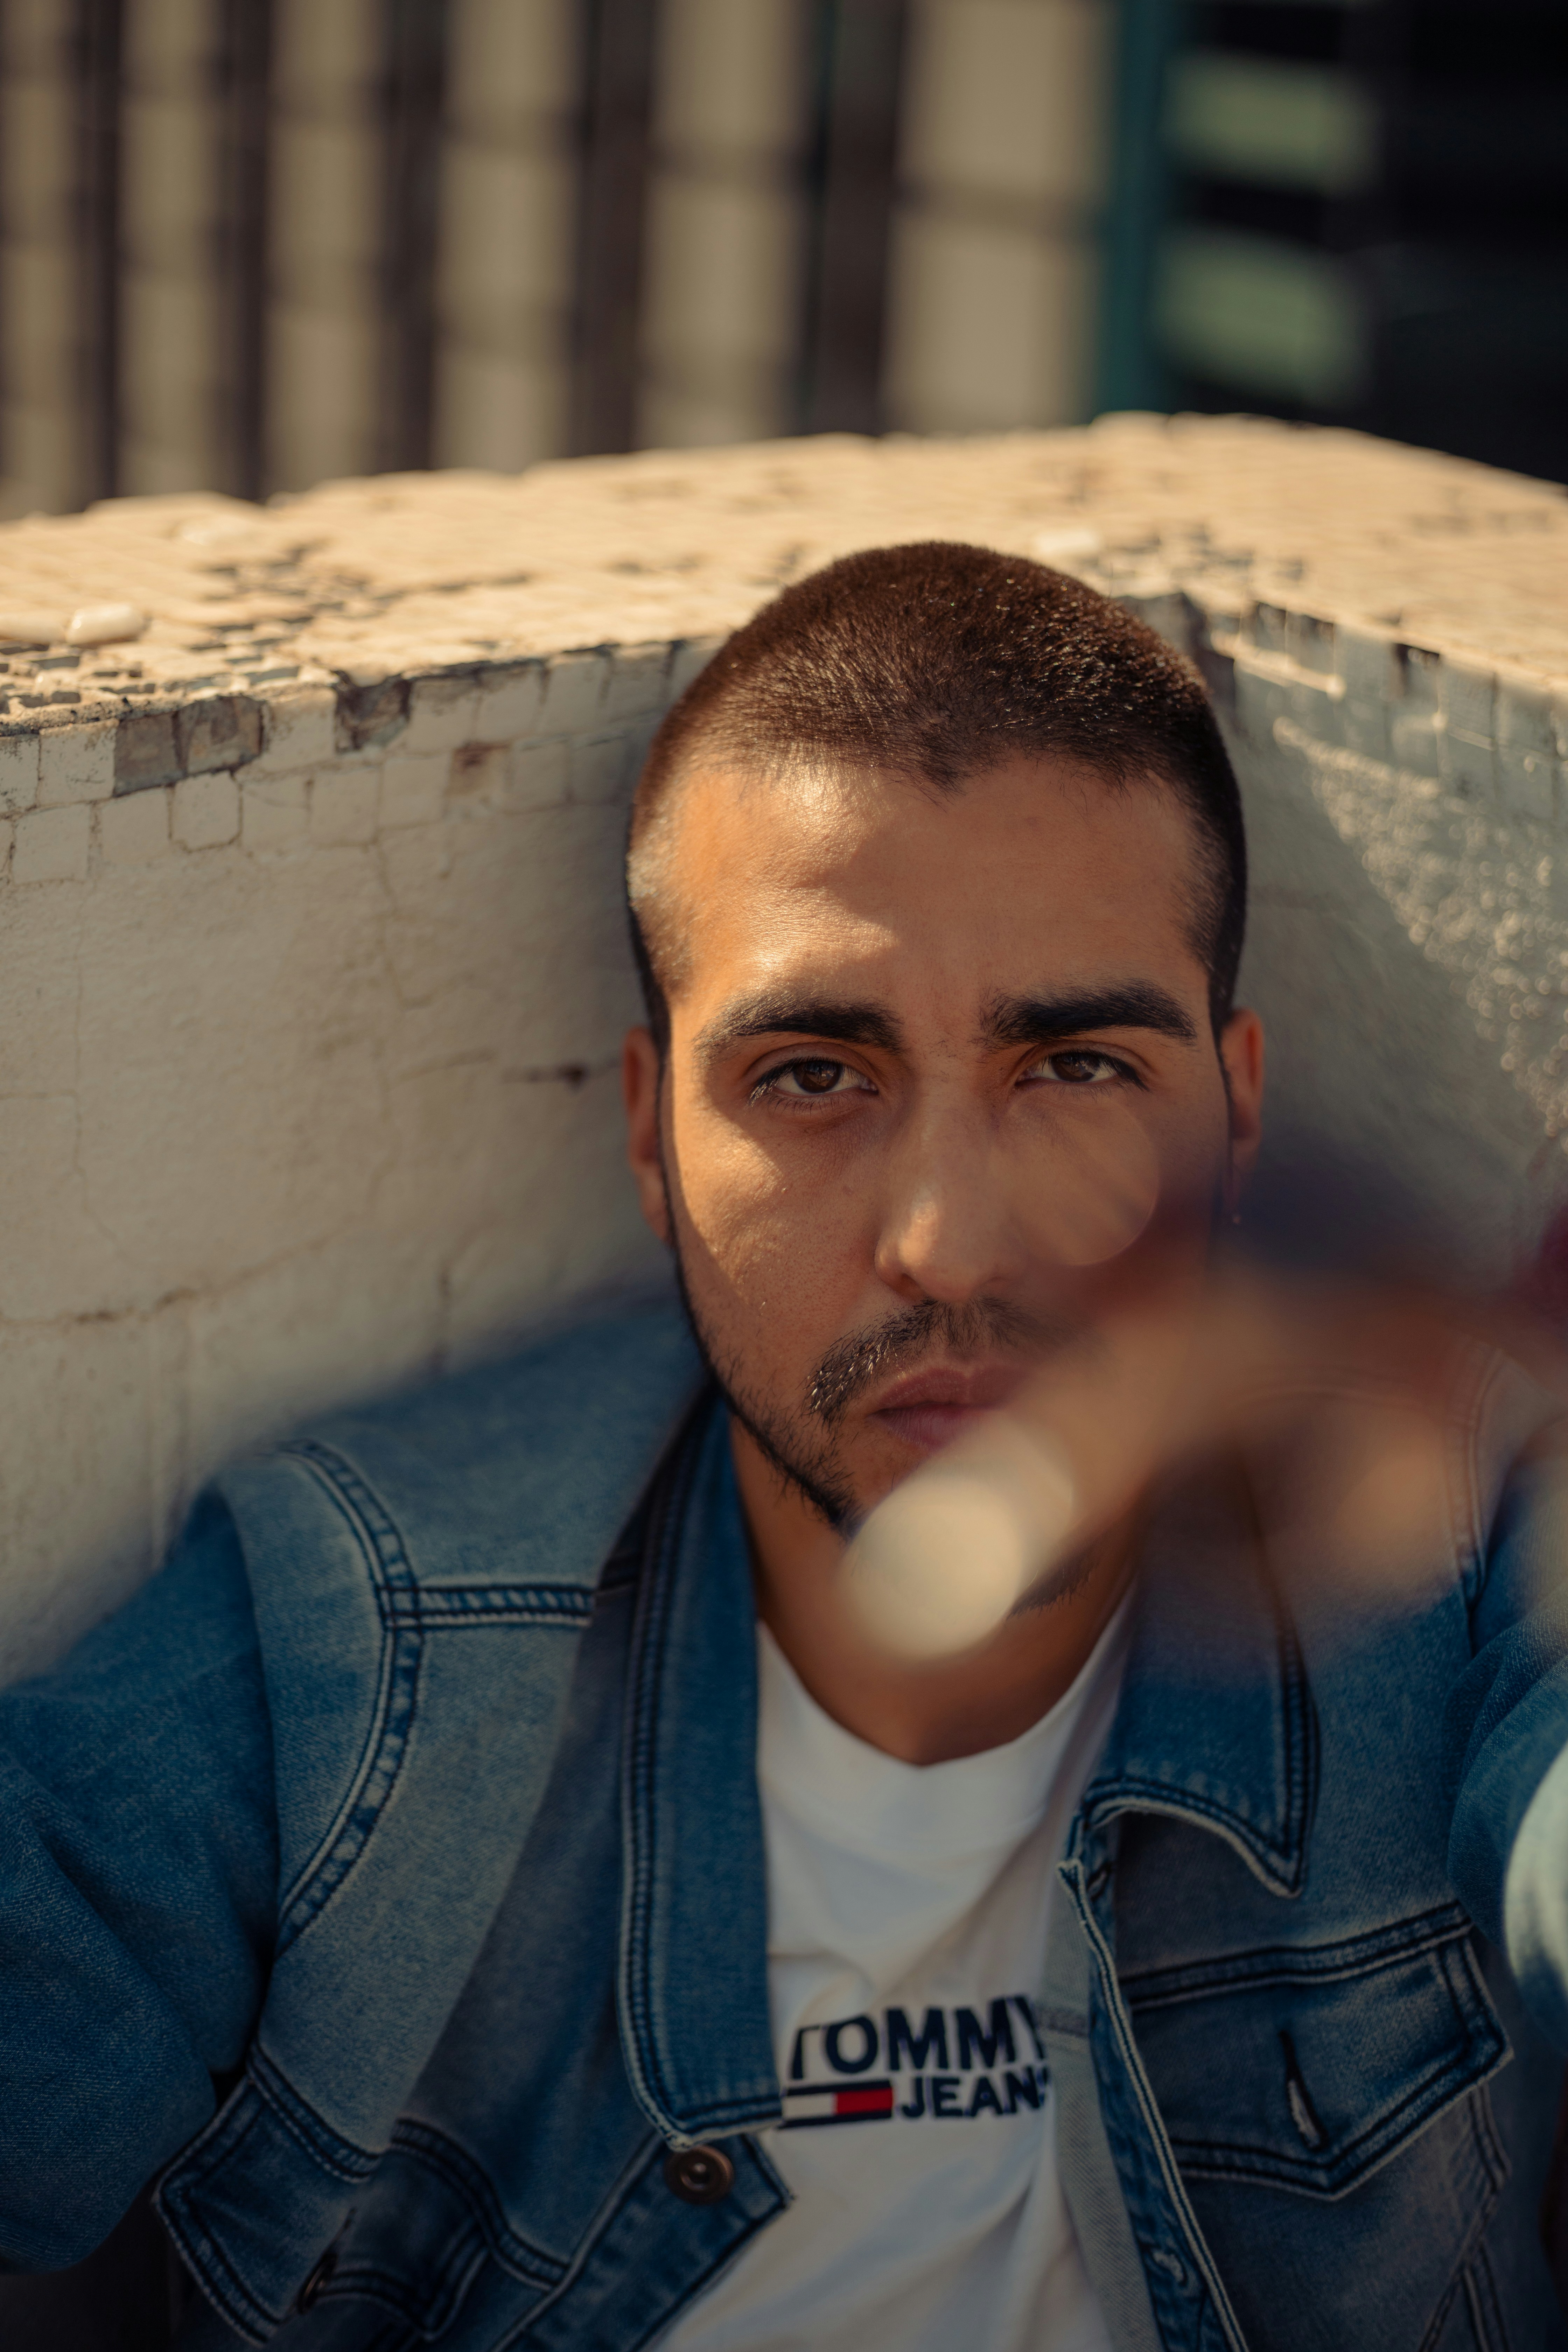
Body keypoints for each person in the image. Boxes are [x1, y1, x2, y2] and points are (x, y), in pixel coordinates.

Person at [1, 543, 1564, 2351]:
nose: (951, 1243)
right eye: (814, 1076)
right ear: (656, 1139)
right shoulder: (359, 1652)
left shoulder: (1457, 1537)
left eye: (1075, 1071)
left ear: (1239, 1106)